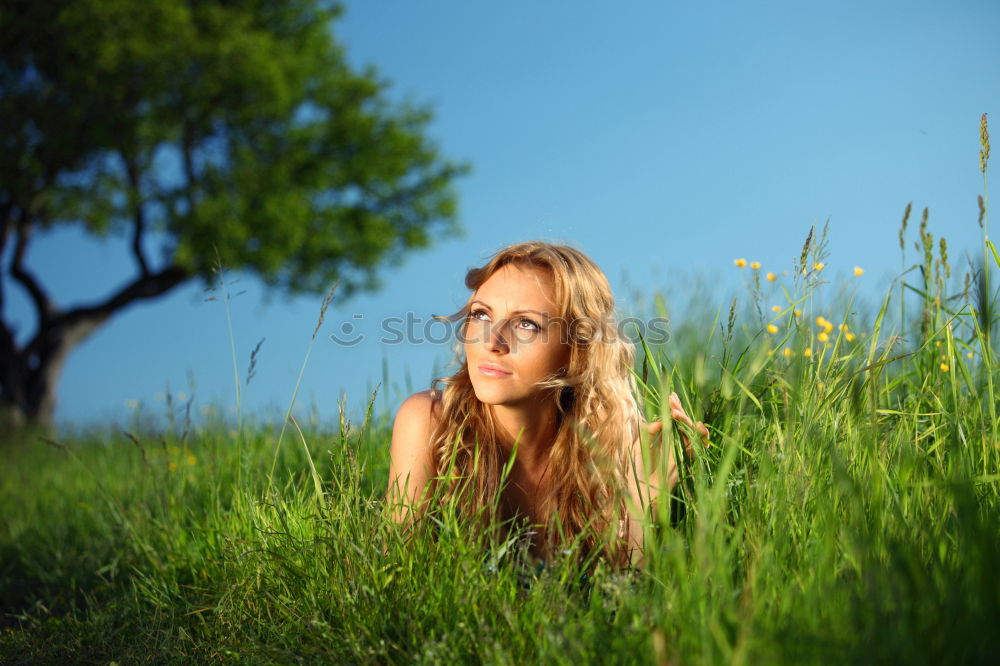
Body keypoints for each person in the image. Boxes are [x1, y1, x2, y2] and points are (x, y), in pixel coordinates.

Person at [386, 241, 709, 567]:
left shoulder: (617, 445)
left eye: (526, 324)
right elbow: (396, 583)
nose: (492, 342)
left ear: (577, 350)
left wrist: (641, 502)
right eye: (481, 314)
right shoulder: (430, 423)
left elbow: (623, 604)